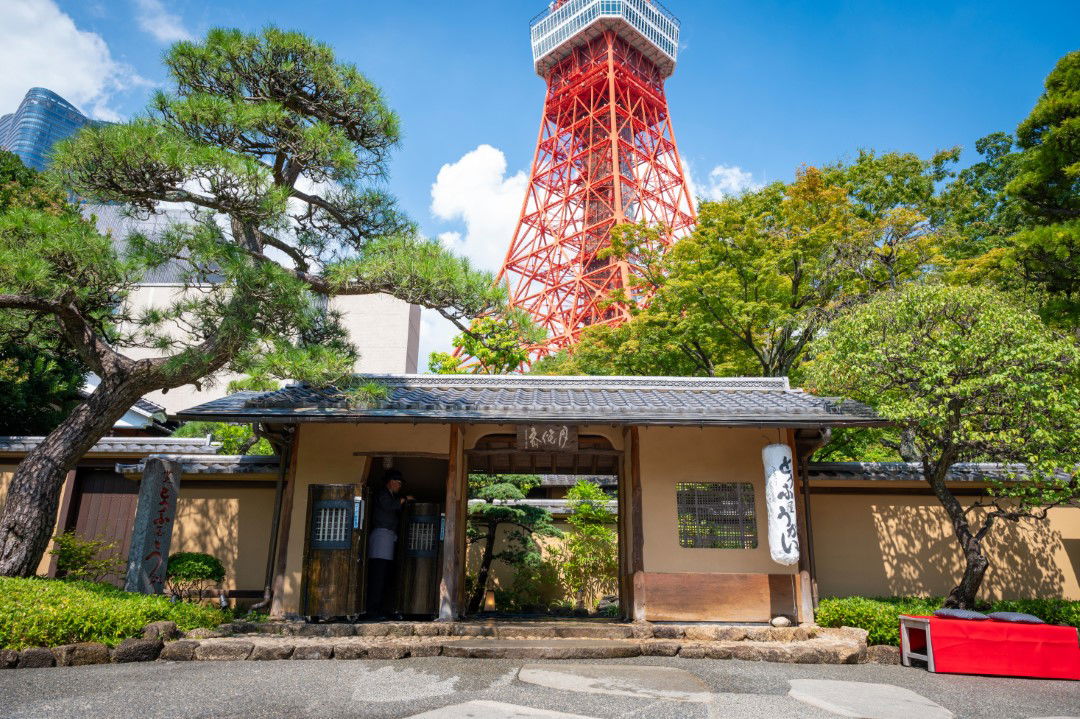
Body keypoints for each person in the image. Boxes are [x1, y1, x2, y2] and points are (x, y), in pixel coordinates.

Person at [365, 469, 412, 619]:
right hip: (381, 534)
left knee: (385, 574)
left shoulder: (391, 495)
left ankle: (382, 608)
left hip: (389, 535)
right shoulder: (383, 494)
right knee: (378, 573)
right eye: (398, 483)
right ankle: (373, 609)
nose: (399, 486)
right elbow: (390, 506)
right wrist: (403, 499)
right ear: (391, 482)